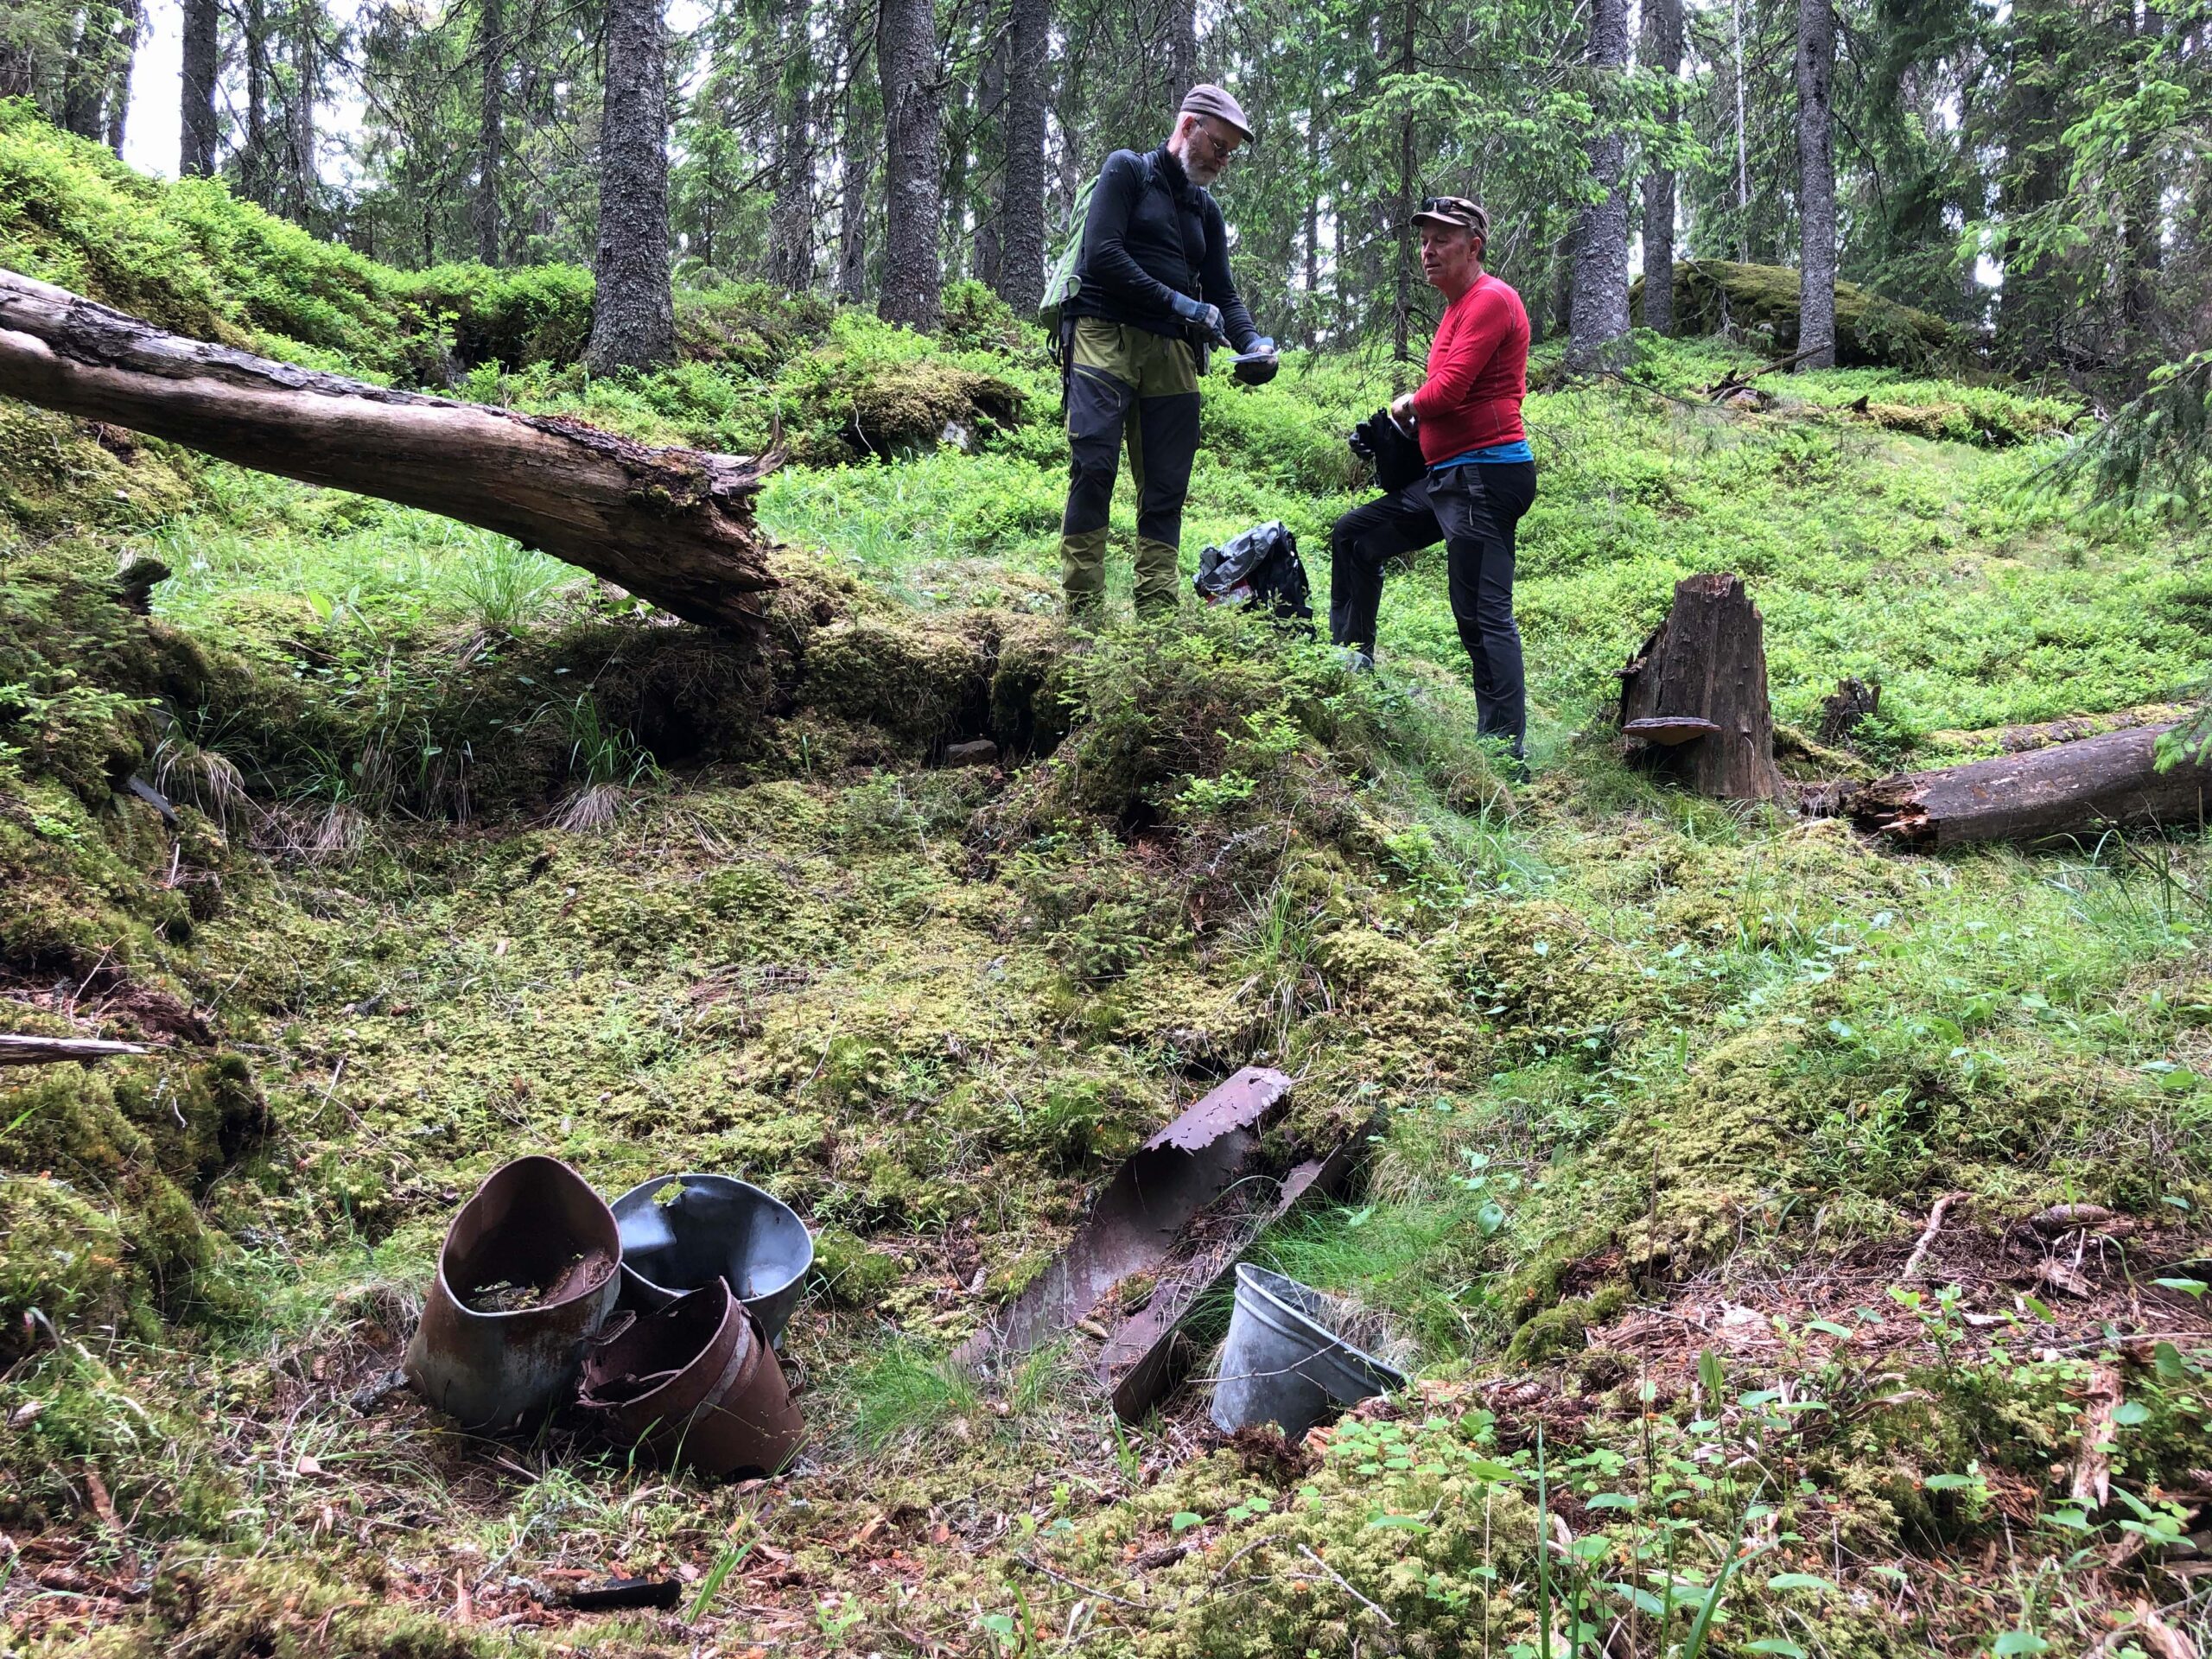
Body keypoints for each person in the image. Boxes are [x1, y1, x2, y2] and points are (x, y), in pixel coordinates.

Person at [1328, 196, 1536, 763]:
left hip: (1485, 476)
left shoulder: (1492, 300)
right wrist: (1394, 435)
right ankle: (1348, 668)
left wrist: (1405, 406)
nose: (1428, 250)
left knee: (1480, 612)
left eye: (1442, 239)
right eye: (1424, 239)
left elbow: (1449, 393)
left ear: (1474, 246)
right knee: (1354, 537)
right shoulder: (1455, 308)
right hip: (1449, 477)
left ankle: (1501, 755)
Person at [1058, 85, 1277, 618]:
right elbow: (1102, 254)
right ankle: (1082, 608)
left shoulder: (1206, 212)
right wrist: (1182, 303)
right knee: (1094, 465)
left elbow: (1222, 293)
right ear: (1188, 127)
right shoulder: (1127, 171)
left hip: (1173, 351)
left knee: (1166, 483)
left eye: (1230, 153)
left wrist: (1254, 344)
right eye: (1218, 146)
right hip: (1103, 330)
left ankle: (1155, 612)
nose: (1223, 161)